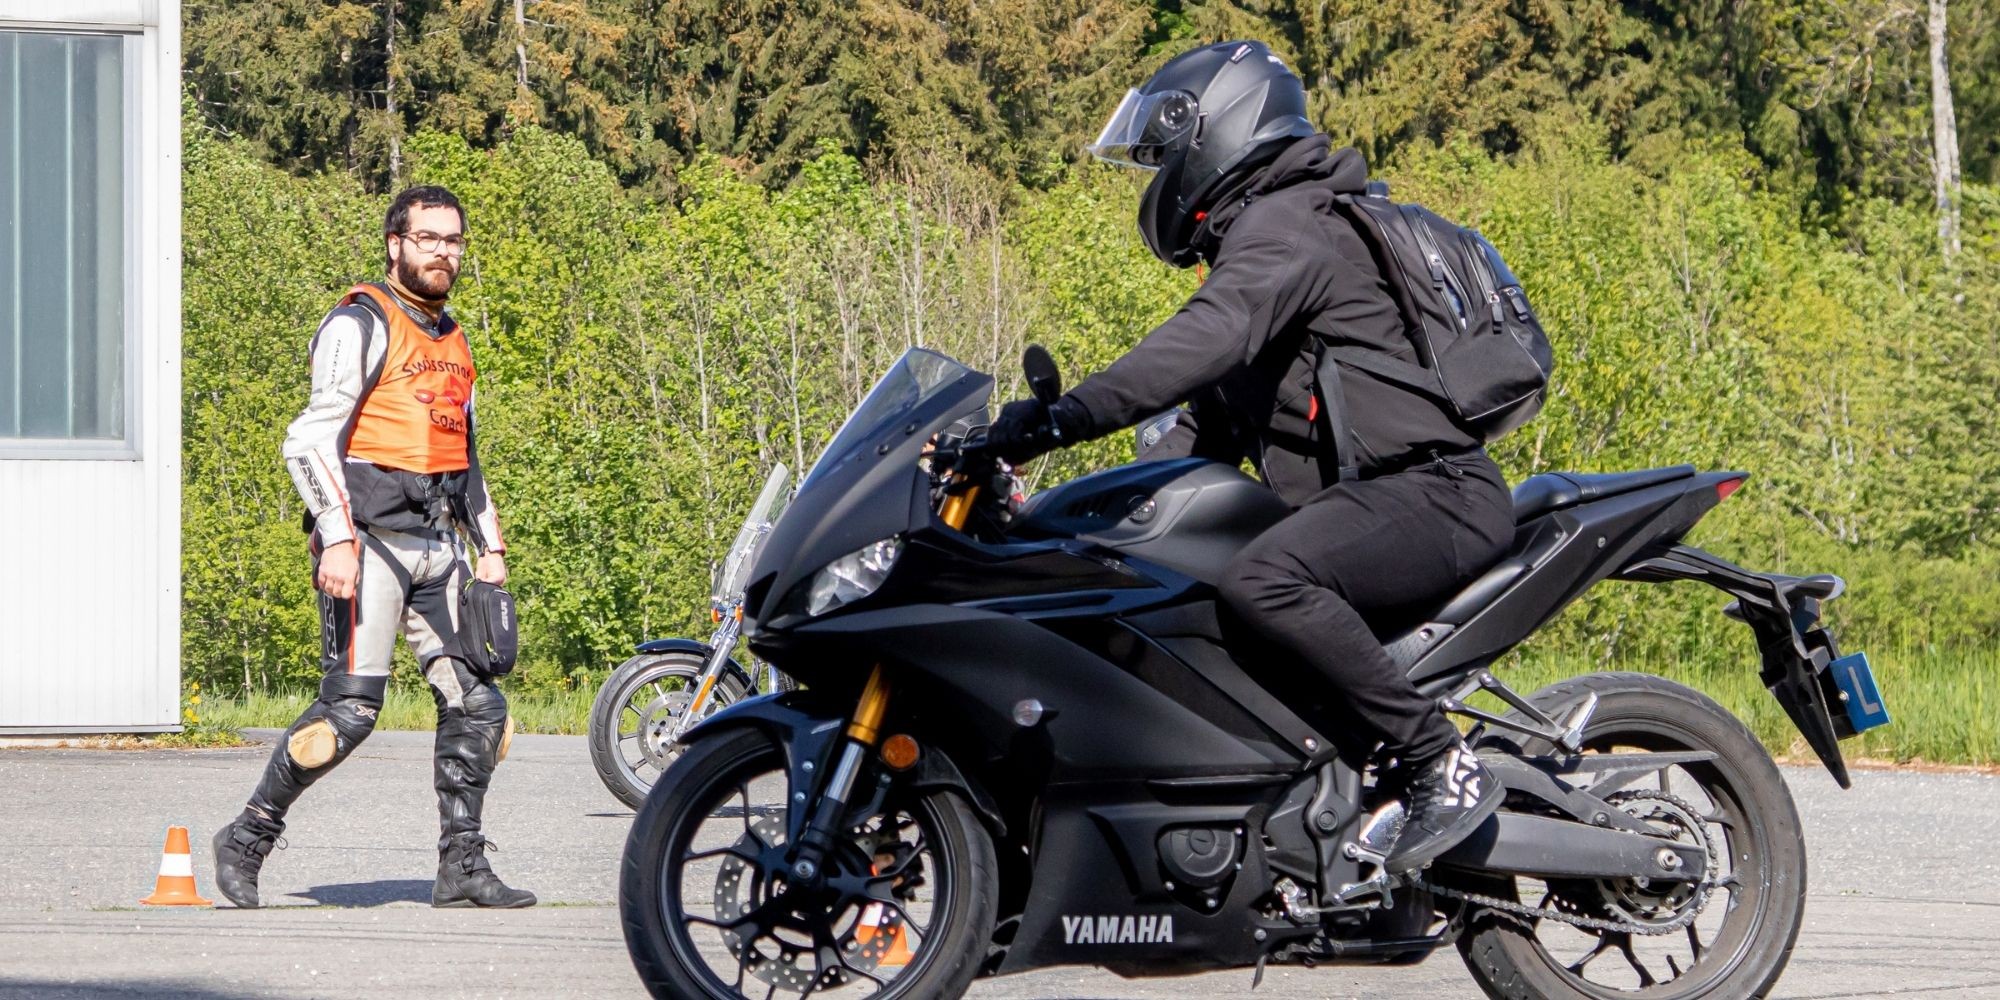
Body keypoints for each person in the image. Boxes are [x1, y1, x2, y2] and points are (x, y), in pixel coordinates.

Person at [985, 41, 1516, 872]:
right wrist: (1062, 524)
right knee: (1188, 586)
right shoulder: (1269, 242)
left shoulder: (1290, 226)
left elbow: (1200, 342)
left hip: (1433, 493)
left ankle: (1435, 759)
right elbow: (1200, 439)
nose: (1156, 179)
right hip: (1376, 505)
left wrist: (1065, 417)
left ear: (1217, 132)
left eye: (1161, 157)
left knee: (1263, 579)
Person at [211, 186, 534, 909]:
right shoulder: (358, 323)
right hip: (368, 544)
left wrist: (490, 546)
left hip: (438, 545)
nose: (443, 252)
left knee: (481, 708)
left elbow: (464, 453)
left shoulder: (455, 341)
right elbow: (307, 441)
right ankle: (247, 835)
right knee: (348, 716)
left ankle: (461, 866)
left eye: (453, 241)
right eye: (428, 239)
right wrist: (335, 537)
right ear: (396, 244)